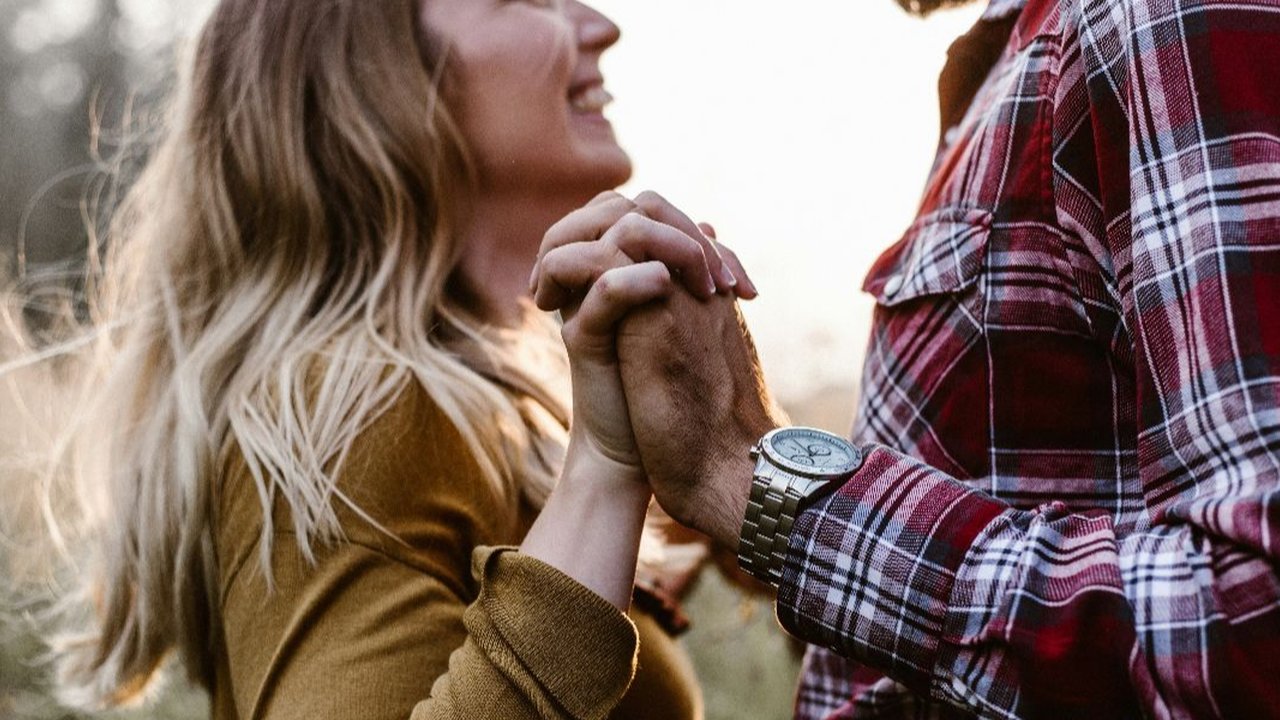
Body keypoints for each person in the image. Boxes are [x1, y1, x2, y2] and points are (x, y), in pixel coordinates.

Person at [532, 0, 1280, 717]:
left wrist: (756, 482)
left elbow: (1255, 617)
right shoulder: (1017, 56)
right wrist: (769, 508)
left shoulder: (1153, 16)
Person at [6, 0, 753, 718]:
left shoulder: (504, 398)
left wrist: (729, 443)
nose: (601, 24)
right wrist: (604, 478)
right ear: (378, 75)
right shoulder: (353, 410)